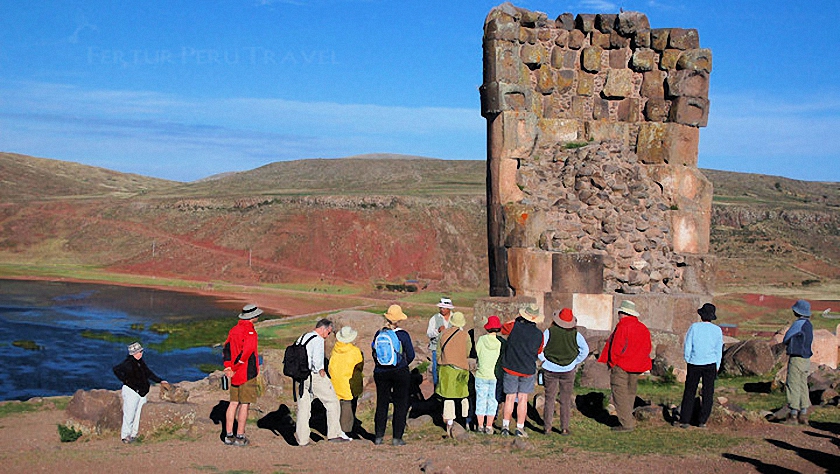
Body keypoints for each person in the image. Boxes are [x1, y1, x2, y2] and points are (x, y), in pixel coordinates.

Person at [597, 300, 652, 432]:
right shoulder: (642, 328)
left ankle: (626, 423)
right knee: (630, 392)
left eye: (620, 312)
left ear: (623, 313)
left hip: (621, 364)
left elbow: (616, 347)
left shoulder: (622, 327)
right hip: (637, 365)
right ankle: (628, 418)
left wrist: (612, 362)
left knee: (619, 393)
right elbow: (648, 347)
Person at [295, 319, 350, 446]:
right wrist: (321, 371)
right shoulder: (318, 339)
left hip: (301, 377)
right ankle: (334, 434)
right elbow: (317, 361)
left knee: (303, 408)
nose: (328, 335)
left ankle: (302, 439)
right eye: (329, 332)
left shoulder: (303, 337)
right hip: (314, 375)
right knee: (332, 402)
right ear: (324, 329)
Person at [538, 308, 589, 436]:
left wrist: (544, 360)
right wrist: (575, 361)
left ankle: (547, 427)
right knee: (565, 400)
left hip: (550, 368)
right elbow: (585, 350)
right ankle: (564, 428)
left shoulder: (549, 332)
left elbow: (540, 348)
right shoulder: (576, 334)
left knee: (550, 398)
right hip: (568, 370)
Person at [372, 304, 415, 446]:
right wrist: (402, 364)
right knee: (400, 404)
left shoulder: (379, 333)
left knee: (382, 403)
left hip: (380, 372)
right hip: (399, 372)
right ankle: (397, 437)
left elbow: (374, 352)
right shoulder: (403, 335)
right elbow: (411, 355)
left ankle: (378, 436)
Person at [499, 303, 544, 438]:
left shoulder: (514, 326)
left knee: (509, 398)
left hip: (511, 367)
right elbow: (539, 351)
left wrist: (516, 319)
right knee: (523, 399)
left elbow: (503, 329)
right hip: (527, 369)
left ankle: (505, 426)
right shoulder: (539, 334)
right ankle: (520, 427)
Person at [113, 342, 170, 443]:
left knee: (139, 414)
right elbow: (116, 370)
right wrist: (125, 380)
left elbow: (148, 373)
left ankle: (134, 434)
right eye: (139, 352)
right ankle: (125, 436)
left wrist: (159, 380)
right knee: (129, 414)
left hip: (142, 392)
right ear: (133, 353)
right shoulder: (128, 363)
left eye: (141, 351)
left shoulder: (140, 362)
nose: (141, 354)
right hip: (131, 391)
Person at [677, 303, 723, 429]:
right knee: (708, 392)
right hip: (710, 364)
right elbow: (719, 349)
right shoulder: (717, 330)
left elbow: (688, 345)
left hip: (694, 362)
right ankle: (702, 420)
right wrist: (717, 364)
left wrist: (688, 359)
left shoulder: (694, 327)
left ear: (701, 315)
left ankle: (685, 419)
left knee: (690, 391)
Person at [222, 303, 262, 446]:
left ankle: (228, 435)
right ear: (253, 317)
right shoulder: (250, 332)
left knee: (233, 403)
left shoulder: (234, 330)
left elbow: (226, 348)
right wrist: (236, 367)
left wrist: (228, 367)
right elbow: (247, 353)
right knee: (244, 404)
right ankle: (240, 436)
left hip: (234, 374)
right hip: (246, 373)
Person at [435, 311, 472, 438]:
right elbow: (467, 352)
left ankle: (450, 423)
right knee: (464, 395)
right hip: (462, 368)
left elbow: (438, 351)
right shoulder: (465, 335)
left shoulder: (443, 334)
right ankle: (466, 420)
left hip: (446, 369)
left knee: (448, 397)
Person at [329, 326, 364, 437]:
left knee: (337, 406)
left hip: (335, 382)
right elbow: (359, 366)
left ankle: (335, 429)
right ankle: (346, 432)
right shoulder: (355, 351)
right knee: (347, 406)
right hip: (349, 383)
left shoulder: (335, 350)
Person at [783, 299, 814, 425]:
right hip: (806, 359)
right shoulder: (809, 324)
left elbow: (787, 337)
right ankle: (804, 412)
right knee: (803, 385)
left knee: (793, 384)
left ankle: (793, 413)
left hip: (797, 358)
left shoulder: (799, 324)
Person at [475, 315, 504, 435]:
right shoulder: (500, 343)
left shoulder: (481, 340)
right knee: (493, 400)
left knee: (480, 400)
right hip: (494, 376)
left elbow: (478, 352)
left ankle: (480, 425)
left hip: (481, 373)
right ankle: (489, 425)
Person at [427, 297, 454, 386]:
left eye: (444, 308)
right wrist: (437, 331)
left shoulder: (454, 318)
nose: (442, 309)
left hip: (451, 349)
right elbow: (429, 334)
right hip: (436, 348)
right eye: (441, 307)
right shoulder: (434, 318)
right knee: (436, 370)